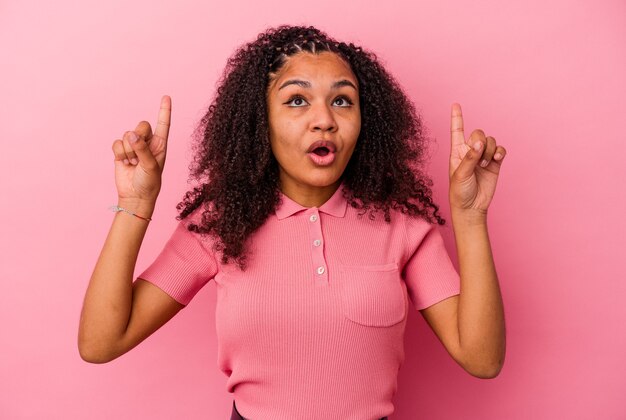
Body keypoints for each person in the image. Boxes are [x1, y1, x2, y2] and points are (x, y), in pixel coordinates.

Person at [78, 25, 506, 420]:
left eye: (342, 100)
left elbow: (482, 358)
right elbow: (101, 342)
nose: (324, 119)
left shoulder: (403, 227)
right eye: (296, 100)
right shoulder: (218, 225)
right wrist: (135, 204)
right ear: (260, 123)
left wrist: (471, 218)